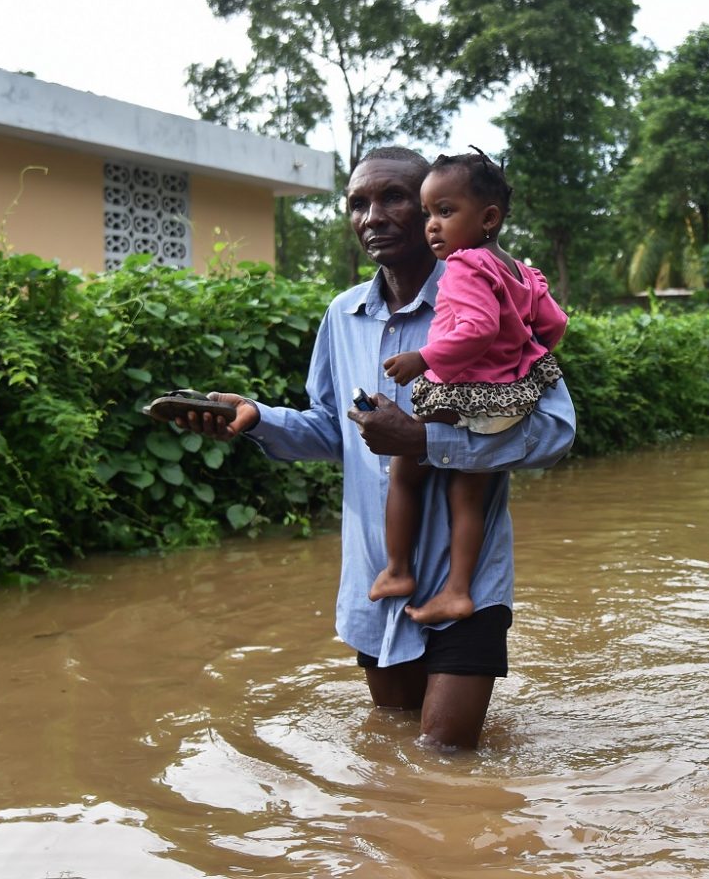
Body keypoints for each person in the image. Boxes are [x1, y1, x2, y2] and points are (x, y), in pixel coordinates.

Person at [168, 147, 575, 751]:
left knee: (444, 757)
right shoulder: (343, 315)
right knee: (391, 754)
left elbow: (555, 432)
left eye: (394, 198)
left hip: (468, 583)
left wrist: (427, 440)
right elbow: (335, 430)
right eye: (358, 203)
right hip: (376, 577)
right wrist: (256, 420)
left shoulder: (490, 298)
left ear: (443, 211)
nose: (373, 216)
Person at [373, 149, 568, 625]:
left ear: (488, 218)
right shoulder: (521, 272)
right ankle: (457, 590)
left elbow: (476, 330)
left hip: (461, 391)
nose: (432, 226)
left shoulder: (465, 266)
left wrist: (424, 358)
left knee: (403, 470)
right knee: (468, 495)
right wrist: (520, 354)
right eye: (427, 214)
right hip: (510, 396)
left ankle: (398, 569)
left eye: (445, 211)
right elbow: (554, 323)